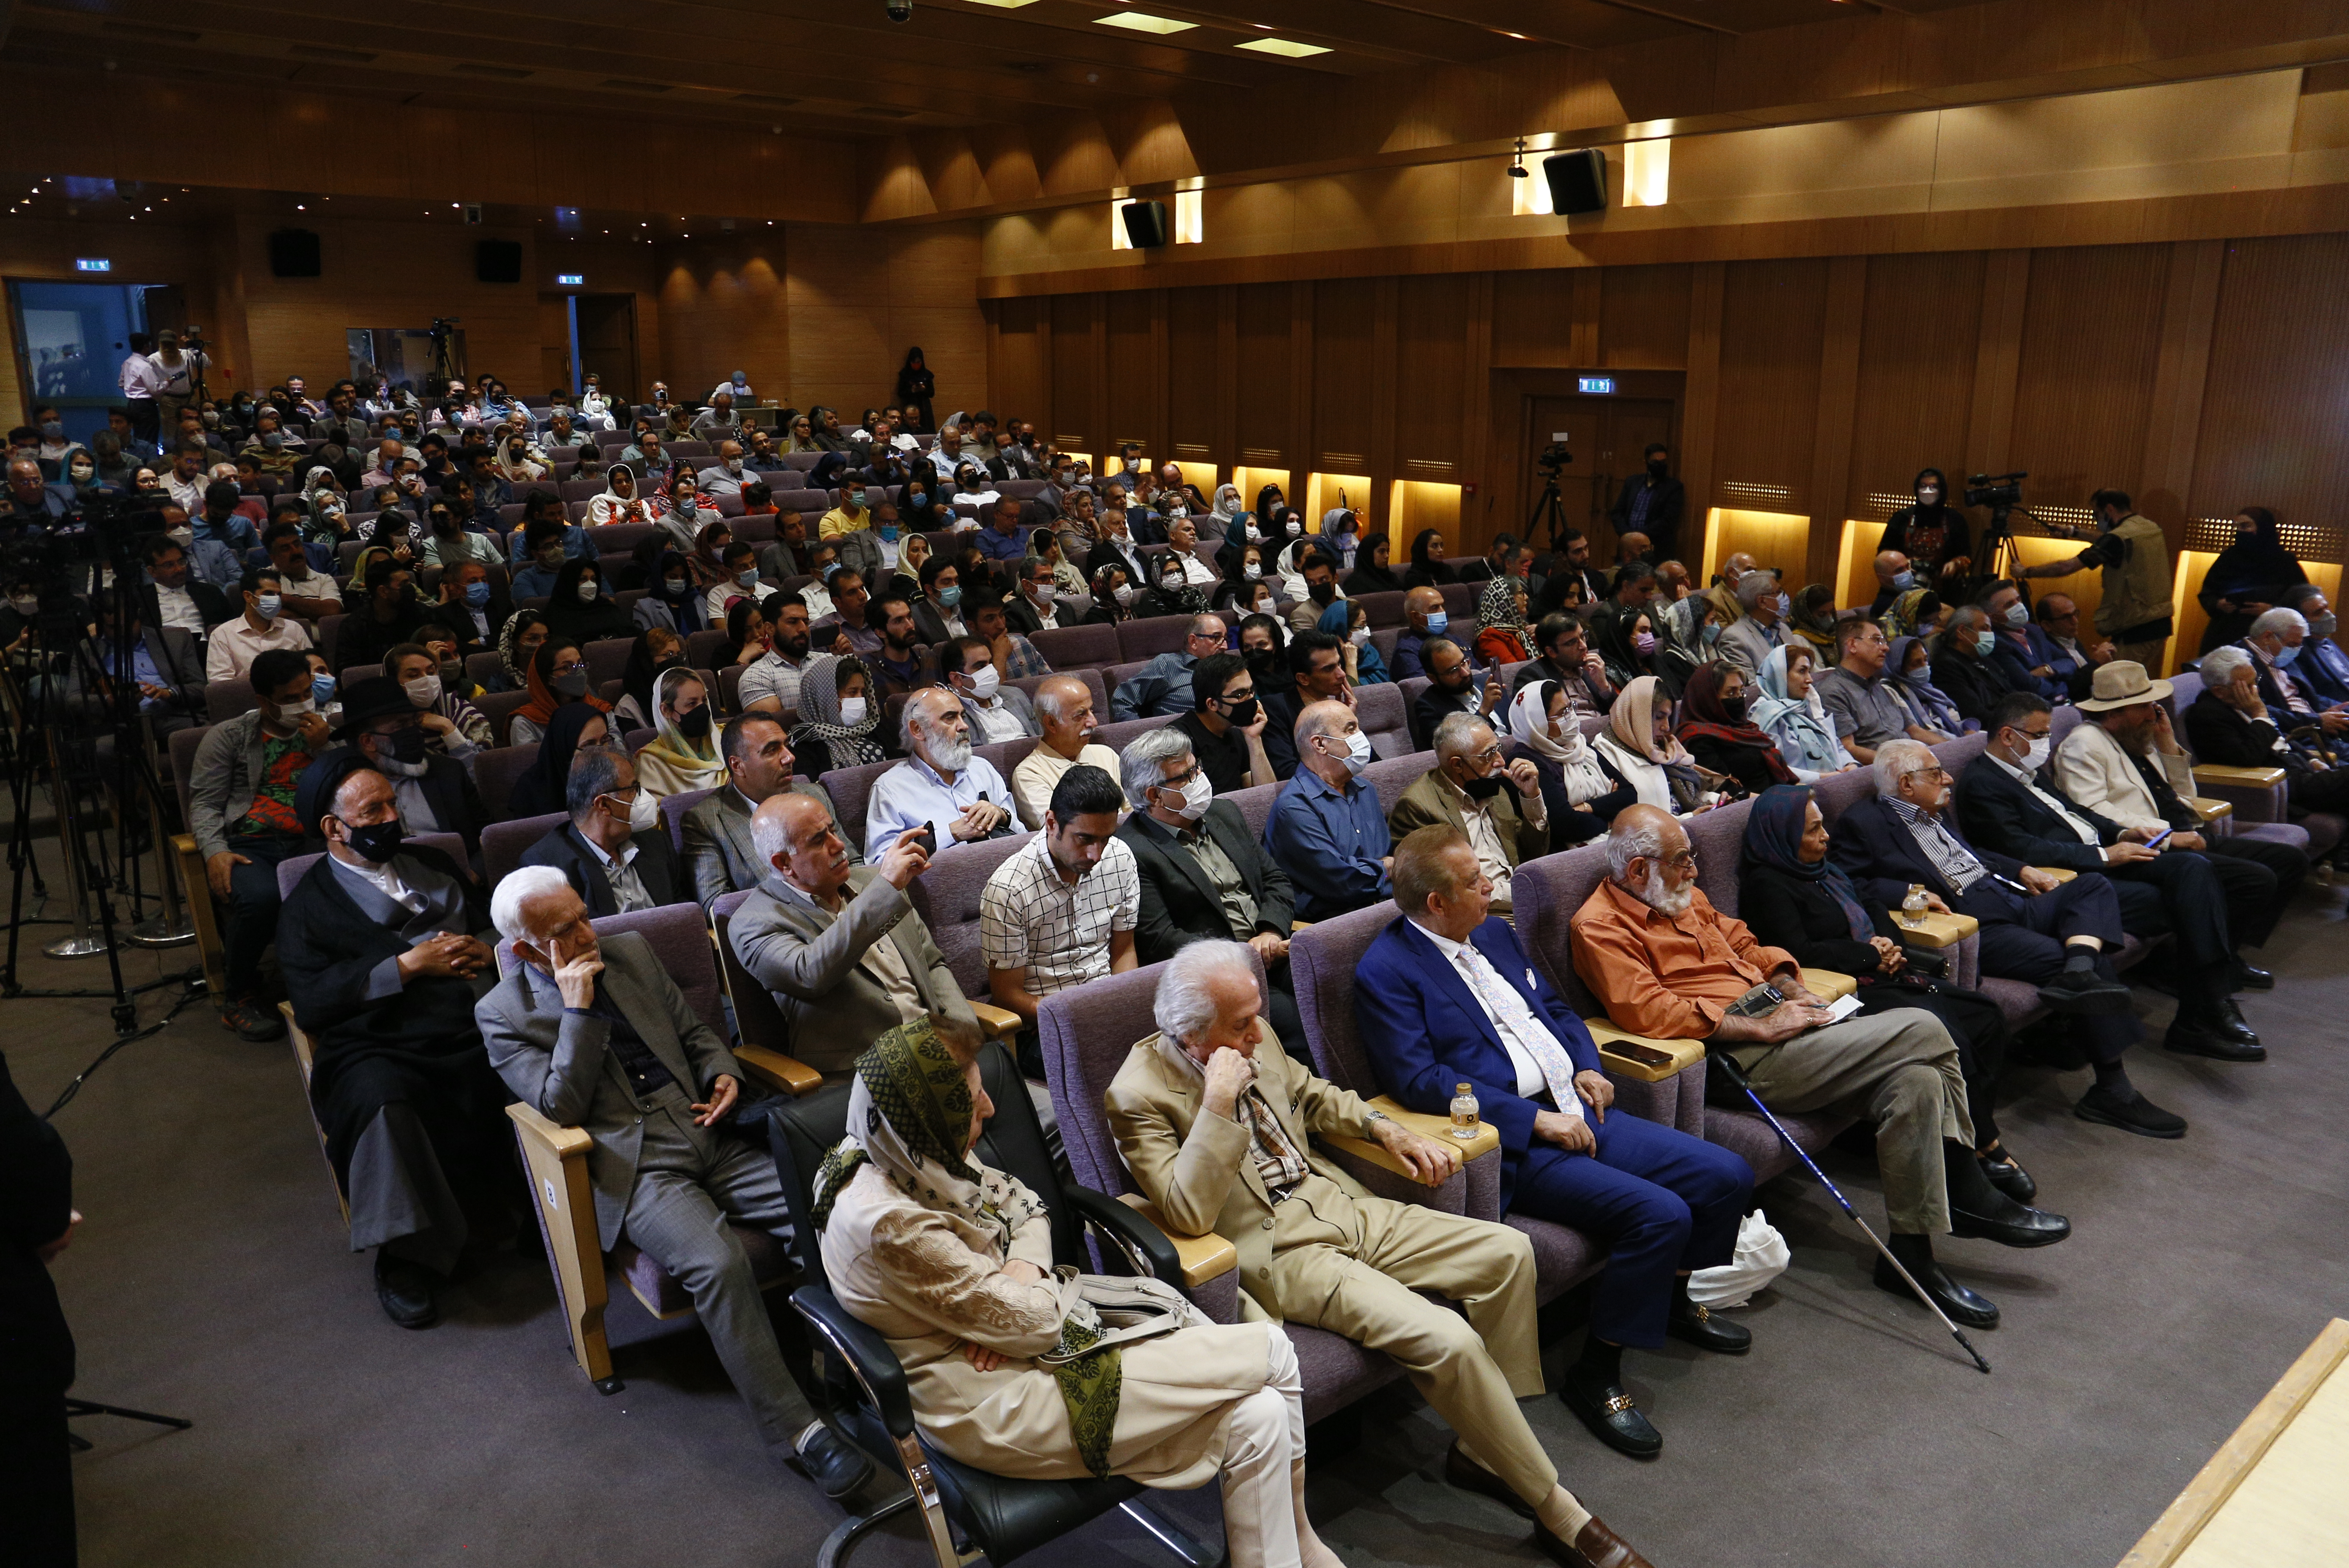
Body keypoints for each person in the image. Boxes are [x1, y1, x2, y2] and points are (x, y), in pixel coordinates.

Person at [1107, 943, 1643, 1566]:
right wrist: (1217, 1102)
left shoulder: (1254, 1035)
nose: (1259, 1032)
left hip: (1337, 1200)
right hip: (1280, 1249)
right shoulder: (1137, 1094)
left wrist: (1380, 1127)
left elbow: (1310, 1093)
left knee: (1507, 1251)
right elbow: (1187, 1212)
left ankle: (1483, 1448)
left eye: (1258, 1015)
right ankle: (1556, 1510)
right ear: (1190, 1035)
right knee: (1448, 1338)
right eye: (1240, 1025)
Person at [819, 1014, 1359, 1568]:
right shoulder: (890, 1221)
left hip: (1021, 1349)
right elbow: (1035, 1325)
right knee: (1271, 1351)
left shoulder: (907, 1147)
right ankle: (1303, 1547)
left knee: (1261, 1415)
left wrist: (1017, 1278)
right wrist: (1015, 1311)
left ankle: (1289, 1551)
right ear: (936, 1115)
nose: (988, 1110)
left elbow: (1024, 1203)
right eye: (974, 1101)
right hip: (990, 1398)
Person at [1575, 806, 2064, 1332]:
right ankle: (1967, 1185)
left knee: (1917, 1081)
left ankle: (1911, 1256)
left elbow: (1745, 945)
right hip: (1733, 1057)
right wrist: (1757, 1027)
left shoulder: (1683, 897)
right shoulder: (1599, 926)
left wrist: (1791, 988)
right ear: (1638, 871)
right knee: (1923, 1026)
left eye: (1692, 857)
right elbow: (1648, 1012)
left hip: (1781, 1024)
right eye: (1681, 861)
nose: (1694, 871)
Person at [1360, 824, 1755, 1456]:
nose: (1490, 886)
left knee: (1725, 1174)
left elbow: (1557, 1009)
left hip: (1575, 1101)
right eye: (1473, 882)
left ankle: (1674, 1297)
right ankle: (1595, 1374)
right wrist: (1533, 1121)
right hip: (1514, 1138)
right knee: (1659, 1213)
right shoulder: (1386, 970)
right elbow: (1418, 1079)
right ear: (1435, 902)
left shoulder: (1491, 930)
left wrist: (1587, 1064)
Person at [475, 864, 867, 1488]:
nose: (586, 932)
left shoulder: (629, 951)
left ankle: (843, 1364)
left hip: (708, 1125)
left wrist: (723, 1072)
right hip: (633, 1164)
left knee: (832, 1205)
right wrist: (577, 1013)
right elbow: (560, 1109)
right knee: (718, 1264)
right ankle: (799, 1430)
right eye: (564, 930)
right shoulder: (503, 1013)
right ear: (525, 948)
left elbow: (693, 1032)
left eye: (583, 914)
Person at [1830, 740, 2185, 1138]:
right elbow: (1848, 883)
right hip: (1977, 926)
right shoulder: (1865, 822)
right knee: (2070, 961)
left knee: (2092, 886)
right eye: (1936, 773)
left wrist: (2023, 869)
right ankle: (2112, 1089)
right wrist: (1909, 894)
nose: (1948, 779)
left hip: (2011, 899)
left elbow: (1972, 855)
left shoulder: (1934, 812)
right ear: (1906, 784)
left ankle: (2079, 970)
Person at [275, 753, 510, 1329]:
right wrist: (406, 965)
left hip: (473, 1015)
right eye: (372, 810)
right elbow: (313, 999)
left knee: (539, 1053)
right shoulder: (308, 905)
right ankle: (405, 1256)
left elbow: (493, 922)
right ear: (334, 827)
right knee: (382, 1099)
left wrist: (486, 948)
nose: (390, 818)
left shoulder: (433, 862)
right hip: (381, 1038)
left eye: (391, 805)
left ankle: (543, 1212)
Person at [1736, 787, 2038, 1202]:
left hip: (1883, 973)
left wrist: (1890, 945)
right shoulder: (1767, 884)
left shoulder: (1827, 870)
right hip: (1844, 990)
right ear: (1784, 836)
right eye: (1813, 830)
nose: (1825, 836)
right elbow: (1798, 952)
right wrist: (1868, 954)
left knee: (1983, 1015)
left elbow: (1874, 905)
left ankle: (1963, 1128)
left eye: (1823, 825)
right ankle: (1981, 1149)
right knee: (1943, 1030)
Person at [1955, 688, 2268, 1060]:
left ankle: (2203, 1009)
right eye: (2039, 736)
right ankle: (2205, 1009)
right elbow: (2021, 850)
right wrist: (2105, 854)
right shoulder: (1981, 784)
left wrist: (2122, 833)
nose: (2046, 743)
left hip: (2101, 858)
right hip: (2070, 883)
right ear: (2008, 736)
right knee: (2190, 896)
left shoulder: (2028, 770)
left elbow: (2077, 813)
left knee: (2196, 872)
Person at [2048, 672, 2304, 978]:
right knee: (2255, 879)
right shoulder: (2084, 745)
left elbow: (2183, 796)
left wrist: (2167, 744)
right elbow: (2091, 812)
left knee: (2289, 860)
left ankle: (2224, 952)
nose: (2153, 711)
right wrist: (2168, 837)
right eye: (2143, 705)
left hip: (2185, 833)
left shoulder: (2138, 734)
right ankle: (2198, 967)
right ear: (2114, 712)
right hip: (2146, 846)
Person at [730, 794, 969, 1081]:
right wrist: (884, 889)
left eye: (833, 830)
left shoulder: (871, 883)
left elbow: (932, 964)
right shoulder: (751, 923)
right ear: (784, 863)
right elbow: (810, 974)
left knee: (1030, 1114)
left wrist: (962, 1031)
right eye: (819, 841)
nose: (839, 845)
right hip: (862, 1077)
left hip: (941, 1052)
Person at [190, 648, 329, 1040]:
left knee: (344, 887)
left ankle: (330, 980)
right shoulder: (230, 736)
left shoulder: (323, 730)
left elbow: (346, 788)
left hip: (311, 838)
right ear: (263, 701)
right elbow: (204, 804)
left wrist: (324, 747)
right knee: (260, 899)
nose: (301, 704)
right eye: (289, 699)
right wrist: (215, 851)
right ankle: (239, 995)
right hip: (251, 843)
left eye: (306, 692)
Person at [683, 713, 854, 906]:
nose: (790, 757)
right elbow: (717, 906)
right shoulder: (706, 820)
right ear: (737, 765)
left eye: (786, 746)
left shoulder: (813, 796)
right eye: (772, 750)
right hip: (779, 926)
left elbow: (854, 864)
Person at [1388, 713, 1550, 914]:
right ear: (1457, 765)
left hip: (1521, 895)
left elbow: (1532, 852)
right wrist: (1524, 895)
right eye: (1488, 755)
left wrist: (1531, 795)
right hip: (1480, 914)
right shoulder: (1418, 807)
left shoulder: (1491, 787)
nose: (1500, 762)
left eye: (1498, 749)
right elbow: (1446, 889)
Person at [2186, 644, 2349, 830]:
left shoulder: (2244, 701)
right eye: (2247, 686)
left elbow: (2281, 738)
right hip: (2279, 785)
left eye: (2257, 681)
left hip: (2301, 771)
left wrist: (2311, 760)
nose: (2256, 690)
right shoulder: (2207, 716)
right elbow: (2248, 756)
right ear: (2219, 691)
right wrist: (2260, 715)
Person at [2017, 489, 2174, 673]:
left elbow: (2067, 567)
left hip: (2135, 628)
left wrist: (2026, 571)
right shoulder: (2147, 527)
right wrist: (2074, 532)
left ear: (2108, 509)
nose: (2095, 519)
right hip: (2159, 622)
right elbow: (2109, 540)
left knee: (2120, 686)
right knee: (2134, 682)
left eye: (2096, 514)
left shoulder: (2118, 539)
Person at [519, 744, 687, 915]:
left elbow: (683, 911)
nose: (642, 797)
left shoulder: (656, 843)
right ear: (604, 805)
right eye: (632, 789)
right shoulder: (549, 868)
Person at [1264, 700, 1390, 920]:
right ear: (1320, 744)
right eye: (1350, 729)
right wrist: (1389, 867)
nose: (1361, 736)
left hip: (1385, 906)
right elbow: (1345, 884)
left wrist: (1384, 867)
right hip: (1336, 923)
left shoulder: (1365, 790)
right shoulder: (1294, 807)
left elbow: (1382, 856)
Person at [332, 676, 488, 852]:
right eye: (401, 725)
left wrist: (473, 874)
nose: (413, 731)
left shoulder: (449, 772)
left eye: (413, 722)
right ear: (368, 741)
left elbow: (485, 837)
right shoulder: (343, 791)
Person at [866, 686, 1014, 849]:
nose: (964, 726)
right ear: (918, 730)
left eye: (962, 716)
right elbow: (881, 861)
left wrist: (1002, 815)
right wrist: (950, 834)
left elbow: (1024, 835)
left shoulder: (982, 768)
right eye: (950, 718)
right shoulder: (890, 789)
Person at [1813, 619, 1950, 765]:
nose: (1886, 648)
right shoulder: (1832, 691)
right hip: (1888, 769)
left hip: (1916, 757)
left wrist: (1953, 748)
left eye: (1884, 641)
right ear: (1853, 645)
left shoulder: (1881, 686)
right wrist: (1905, 762)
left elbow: (1913, 730)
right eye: (1877, 640)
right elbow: (1848, 749)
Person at [1003, 674, 1117, 829]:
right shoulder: (1029, 774)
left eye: (1092, 711)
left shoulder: (1106, 754)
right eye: (1080, 715)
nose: (1094, 722)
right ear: (1051, 723)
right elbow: (1064, 831)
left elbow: (1133, 812)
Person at [1593, 676, 1719, 814]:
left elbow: (1688, 795)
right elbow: (1634, 819)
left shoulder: (1666, 746)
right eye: (1659, 717)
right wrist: (1689, 818)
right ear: (1636, 715)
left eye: (1669, 718)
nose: (1666, 727)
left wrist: (1715, 800)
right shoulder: (1604, 753)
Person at [1675, 663, 1795, 796]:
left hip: (1777, 796)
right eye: (1731, 693)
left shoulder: (1745, 729)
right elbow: (1727, 791)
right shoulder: (1697, 739)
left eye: (1741, 691)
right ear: (1709, 697)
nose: (1738, 698)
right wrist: (1787, 800)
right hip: (1753, 808)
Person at [2196, 507, 2305, 654]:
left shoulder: (2285, 563)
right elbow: (2208, 592)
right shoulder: (2229, 558)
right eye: (2238, 527)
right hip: (2225, 635)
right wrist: (2218, 604)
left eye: (2246, 526)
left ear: (2262, 528)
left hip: (2268, 638)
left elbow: (2303, 601)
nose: (2240, 531)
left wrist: (2273, 610)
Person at [1750, 644, 1857, 782]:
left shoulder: (1809, 703)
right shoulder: (1765, 713)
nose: (1810, 680)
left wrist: (1850, 765)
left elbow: (1835, 745)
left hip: (1835, 781)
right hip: (1801, 792)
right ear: (1780, 675)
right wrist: (1822, 778)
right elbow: (1775, 768)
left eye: (1809, 672)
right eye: (1802, 671)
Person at [204, 565, 313, 685]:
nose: (276, 600)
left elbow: (313, 668)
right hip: (247, 701)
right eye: (269, 594)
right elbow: (221, 685)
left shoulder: (294, 629)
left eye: (279, 595)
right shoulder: (222, 635)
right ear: (248, 597)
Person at [1109, 613, 1227, 720]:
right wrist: (1140, 737)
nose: (1225, 646)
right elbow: (1123, 699)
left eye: (1225, 639)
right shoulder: (1168, 665)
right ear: (1193, 641)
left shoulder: (1229, 669)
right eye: (1216, 638)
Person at [634, 668, 729, 798]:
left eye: (704, 700)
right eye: (692, 703)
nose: (702, 709)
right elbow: (660, 814)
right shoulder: (651, 762)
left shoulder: (727, 738)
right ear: (666, 710)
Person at [510, 635, 610, 748]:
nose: (580, 673)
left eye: (580, 664)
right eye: (568, 667)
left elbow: (619, 753)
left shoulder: (600, 710)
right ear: (549, 678)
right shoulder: (526, 724)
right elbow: (530, 764)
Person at [1877, 468, 1972, 585]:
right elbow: (1884, 554)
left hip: (1943, 588)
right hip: (1904, 585)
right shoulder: (1901, 518)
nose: (1928, 490)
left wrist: (1955, 564)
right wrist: (1903, 563)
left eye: (1933, 486)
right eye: (1923, 486)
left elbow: (1966, 556)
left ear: (1941, 490)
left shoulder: (1955, 520)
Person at [1411, 636, 1504, 753]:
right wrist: (1484, 711)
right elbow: (1452, 748)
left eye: (1464, 662)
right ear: (1433, 678)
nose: (1465, 673)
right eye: (1454, 670)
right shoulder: (1428, 707)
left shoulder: (1487, 682)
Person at [1928, 605, 2014, 725]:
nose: (1990, 634)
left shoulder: (1985, 659)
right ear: (1962, 632)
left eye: (1990, 629)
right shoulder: (1945, 666)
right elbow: (1974, 713)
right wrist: (2016, 721)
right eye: (1985, 629)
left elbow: (2011, 693)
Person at [1607, 444, 1683, 564]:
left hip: (1655, 551)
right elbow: (1617, 512)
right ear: (1647, 462)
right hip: (1627, 549)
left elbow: (1668, 520)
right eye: (1655, 462)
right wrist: (1627, 536)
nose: (1660, 466)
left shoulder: (1673, 488)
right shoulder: (1633, 482)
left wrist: (1639, 537)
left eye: (1663, 462)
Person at [1715, 571, 1788, 678]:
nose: (1784, 596)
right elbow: (1751, 689)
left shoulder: (1784, 629)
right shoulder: (1734, 638)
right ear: (1762, 602)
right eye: (1779, 592)